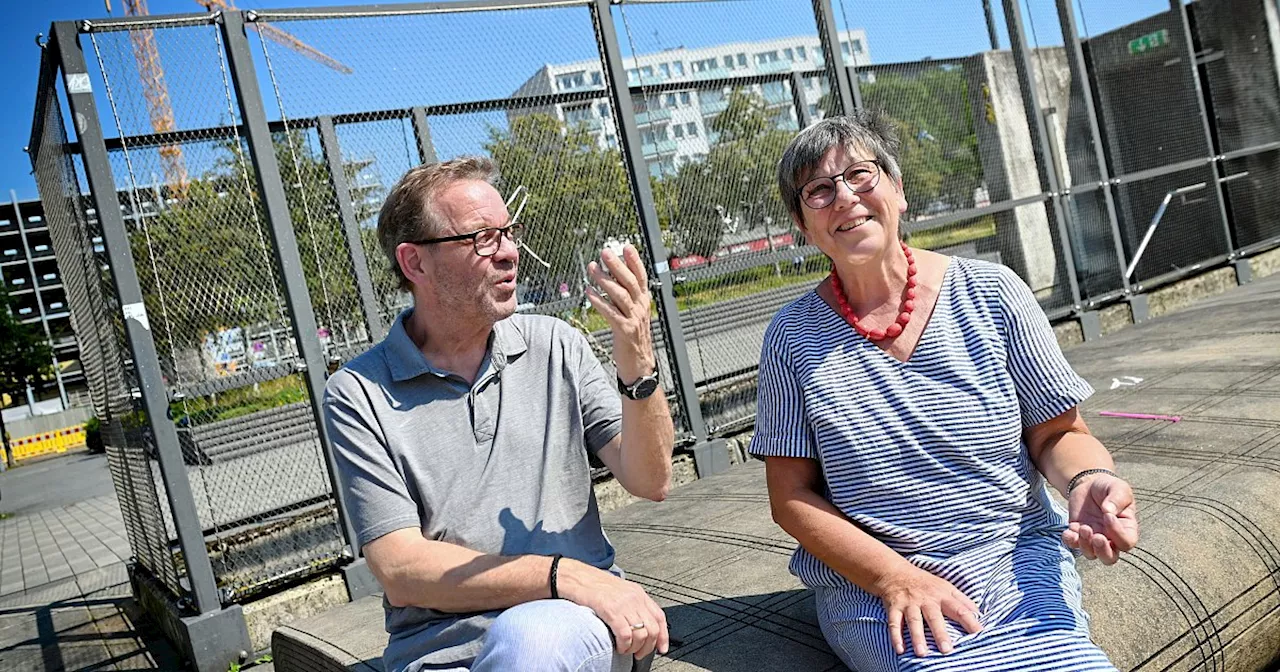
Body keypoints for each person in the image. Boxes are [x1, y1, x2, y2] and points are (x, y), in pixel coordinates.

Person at [750, 112, 1140, 671]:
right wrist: (895, 578)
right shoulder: (792, 337)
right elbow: (791, 498)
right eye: (819, 189)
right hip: (876, 588)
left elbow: (1058, 432)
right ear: (801, 224)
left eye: (861, 174)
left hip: (1015, 556)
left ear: (898, 190)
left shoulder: (992, 292)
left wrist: (1089, 479)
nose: (845, 197)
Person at [324, 156, 674, 672]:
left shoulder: (555, 345)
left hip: (567, 627)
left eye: (509, 232)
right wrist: (562, 572)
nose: (510, 253)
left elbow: (651, 479)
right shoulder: (357, 394)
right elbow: (400, 568)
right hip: (436, 654)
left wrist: (639, 365)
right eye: (483, 238)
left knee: (531, 639)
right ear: (414, 263)